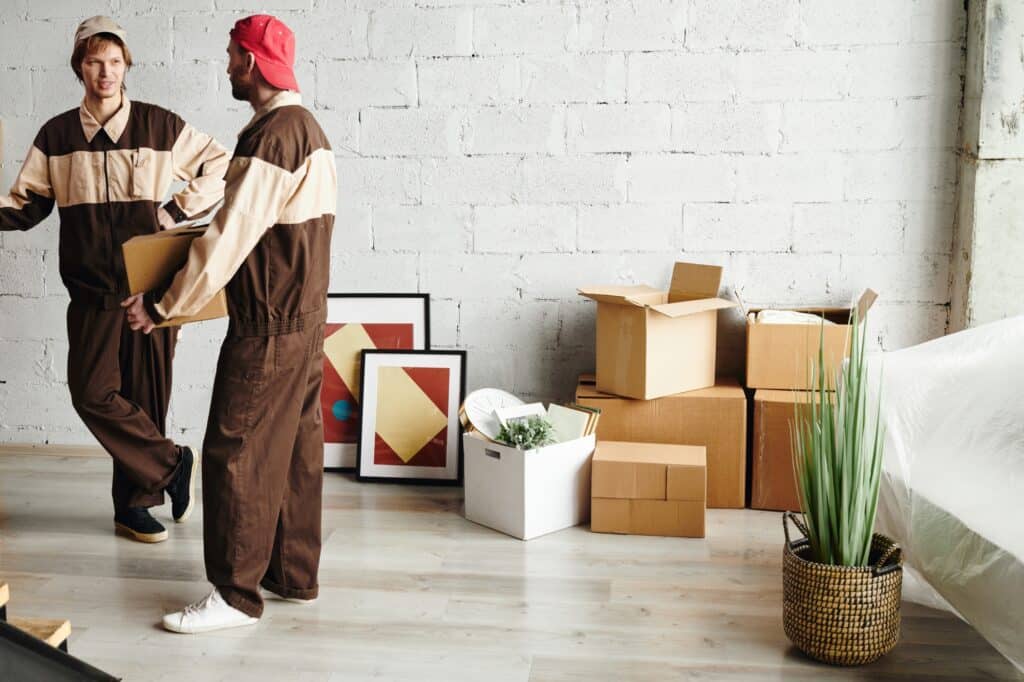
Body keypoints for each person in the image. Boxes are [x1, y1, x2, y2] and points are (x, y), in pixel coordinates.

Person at [123, 14, 337, 634]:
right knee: (296, 449)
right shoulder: (310, 130)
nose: (226, 67)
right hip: (304, 319)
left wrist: (164, 304)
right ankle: (292, 574)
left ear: (251, 60)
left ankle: (236, 596)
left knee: (235, 451)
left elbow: (228, 241)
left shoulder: (272, 136)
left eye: (231, 56)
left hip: (268, 326)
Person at [0, 16, 229, 543]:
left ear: (127, 66)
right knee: (92, 392)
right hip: (91, 290)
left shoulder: (160, 126)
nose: (105, 72)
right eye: (94, 61)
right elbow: (26, 205)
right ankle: (172, 464)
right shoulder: (55, 137)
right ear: (79, 66)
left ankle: (135, 507)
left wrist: (174, 209)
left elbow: (222, 165)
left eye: (115, 62)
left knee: (147, 396)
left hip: (153, 288)